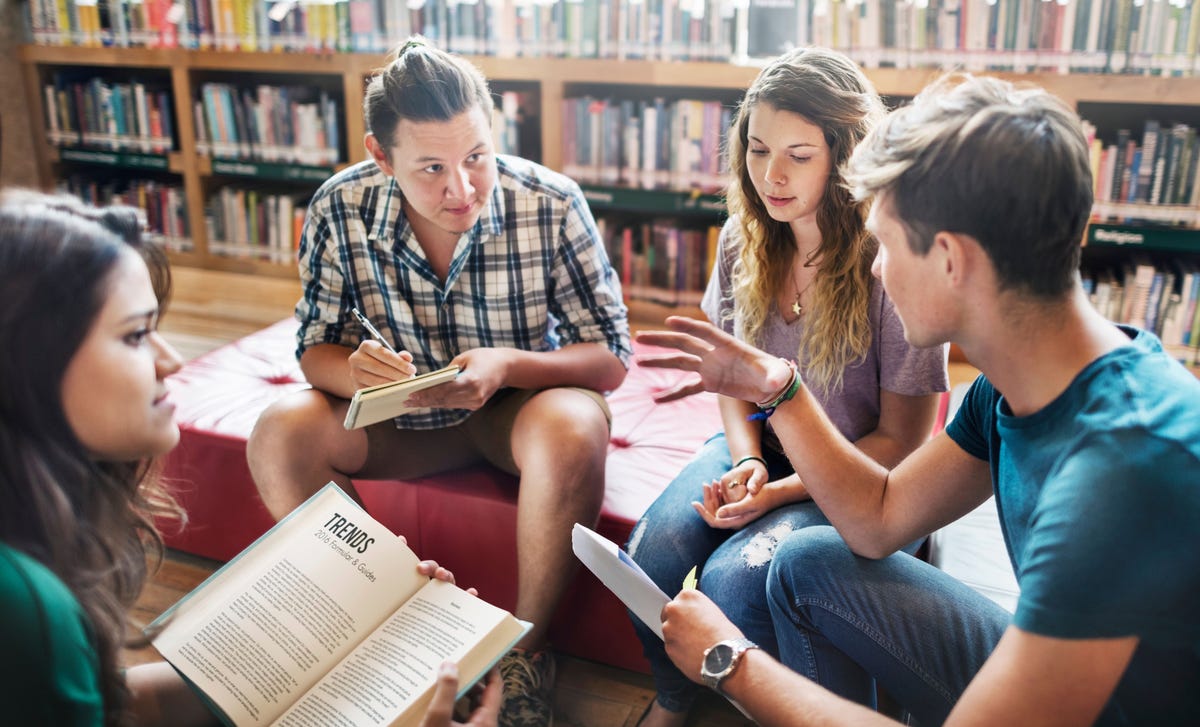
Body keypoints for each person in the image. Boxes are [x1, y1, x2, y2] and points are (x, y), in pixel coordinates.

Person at [637, 73, 1200, 725]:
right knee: (806, 561)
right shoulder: (1016, 386)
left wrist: (729, 658)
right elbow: (879, 516)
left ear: (952, 260)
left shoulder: (1124, 473)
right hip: (1070, 680)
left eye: (888, 242)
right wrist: (781, 390)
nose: (876, 265)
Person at [0, 191, 501, 726]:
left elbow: (113, 705)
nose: (171, 360)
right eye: (135, 335)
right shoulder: (24, 609)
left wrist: (350, 648)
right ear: (27, 362)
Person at [246, 37, 631, 725]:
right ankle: (389, 632)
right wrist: (349, 368)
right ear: (380, 155)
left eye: (477, 156)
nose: (462, 188)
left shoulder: (552, 202)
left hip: (513, 415)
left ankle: (524, 654)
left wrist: (509, 364)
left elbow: (609, 356)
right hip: (397, 425)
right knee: (279, 432)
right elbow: (313, 348)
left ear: (494, 127)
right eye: (431, 168)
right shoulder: (339, 207)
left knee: (577, 423)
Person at [624, 47, 947, 727]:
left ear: (844, 155)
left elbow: (904, 442)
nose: (771, 175)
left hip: (853, 472)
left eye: (799, 155)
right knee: (648, 550)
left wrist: (782, 490)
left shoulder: (890, 259)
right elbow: (733, 385)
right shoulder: (744, 241)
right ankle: (677, 697)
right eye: (757, 148)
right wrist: (746, 459)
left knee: (734, 579)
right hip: (760, 450)